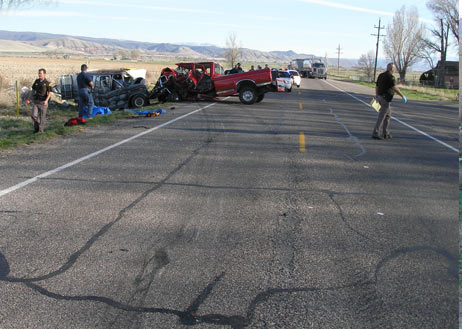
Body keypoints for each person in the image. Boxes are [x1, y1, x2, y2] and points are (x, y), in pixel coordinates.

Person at [372, 63, 407, 140]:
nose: (394, 70)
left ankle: (386, 133)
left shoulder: (381, 75)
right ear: (392, 69)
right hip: (386, 99)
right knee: (382, 116)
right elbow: (394, 88)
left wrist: (377, 96)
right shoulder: (391, 77)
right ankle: (376, 133)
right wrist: (402, 95)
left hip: (380, 97)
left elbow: (377, 86)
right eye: (394, 68)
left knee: (388, 115)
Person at [31, 68, 52, 133]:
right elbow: (33, 89)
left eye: (41, 73)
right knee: (33, 115)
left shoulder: (48, 83)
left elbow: (49, 93)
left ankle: (41, 130)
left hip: (43, 102)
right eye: (39, 73)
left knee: (42, 117)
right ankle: (36, 128)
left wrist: (46, 100)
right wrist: (32, 96)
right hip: (36, 101)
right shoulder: (36, 81)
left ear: (44, 74)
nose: (39, 74)